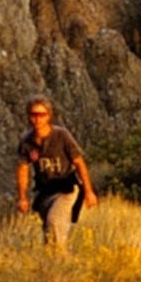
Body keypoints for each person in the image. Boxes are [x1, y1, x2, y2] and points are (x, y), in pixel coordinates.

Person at [15, 96, 94, 250]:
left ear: (49, 116)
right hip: (45, 191)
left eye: (41, 115)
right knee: (48, 231)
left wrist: (89, 191)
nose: (37, 119)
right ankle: (54, 265)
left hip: (67, 188)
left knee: (55, 221)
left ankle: (60, 262)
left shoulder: (61, 135)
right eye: (33, 114)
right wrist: (22, 198)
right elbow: (23, 169)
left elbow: (79, 162)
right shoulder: (26, 141)